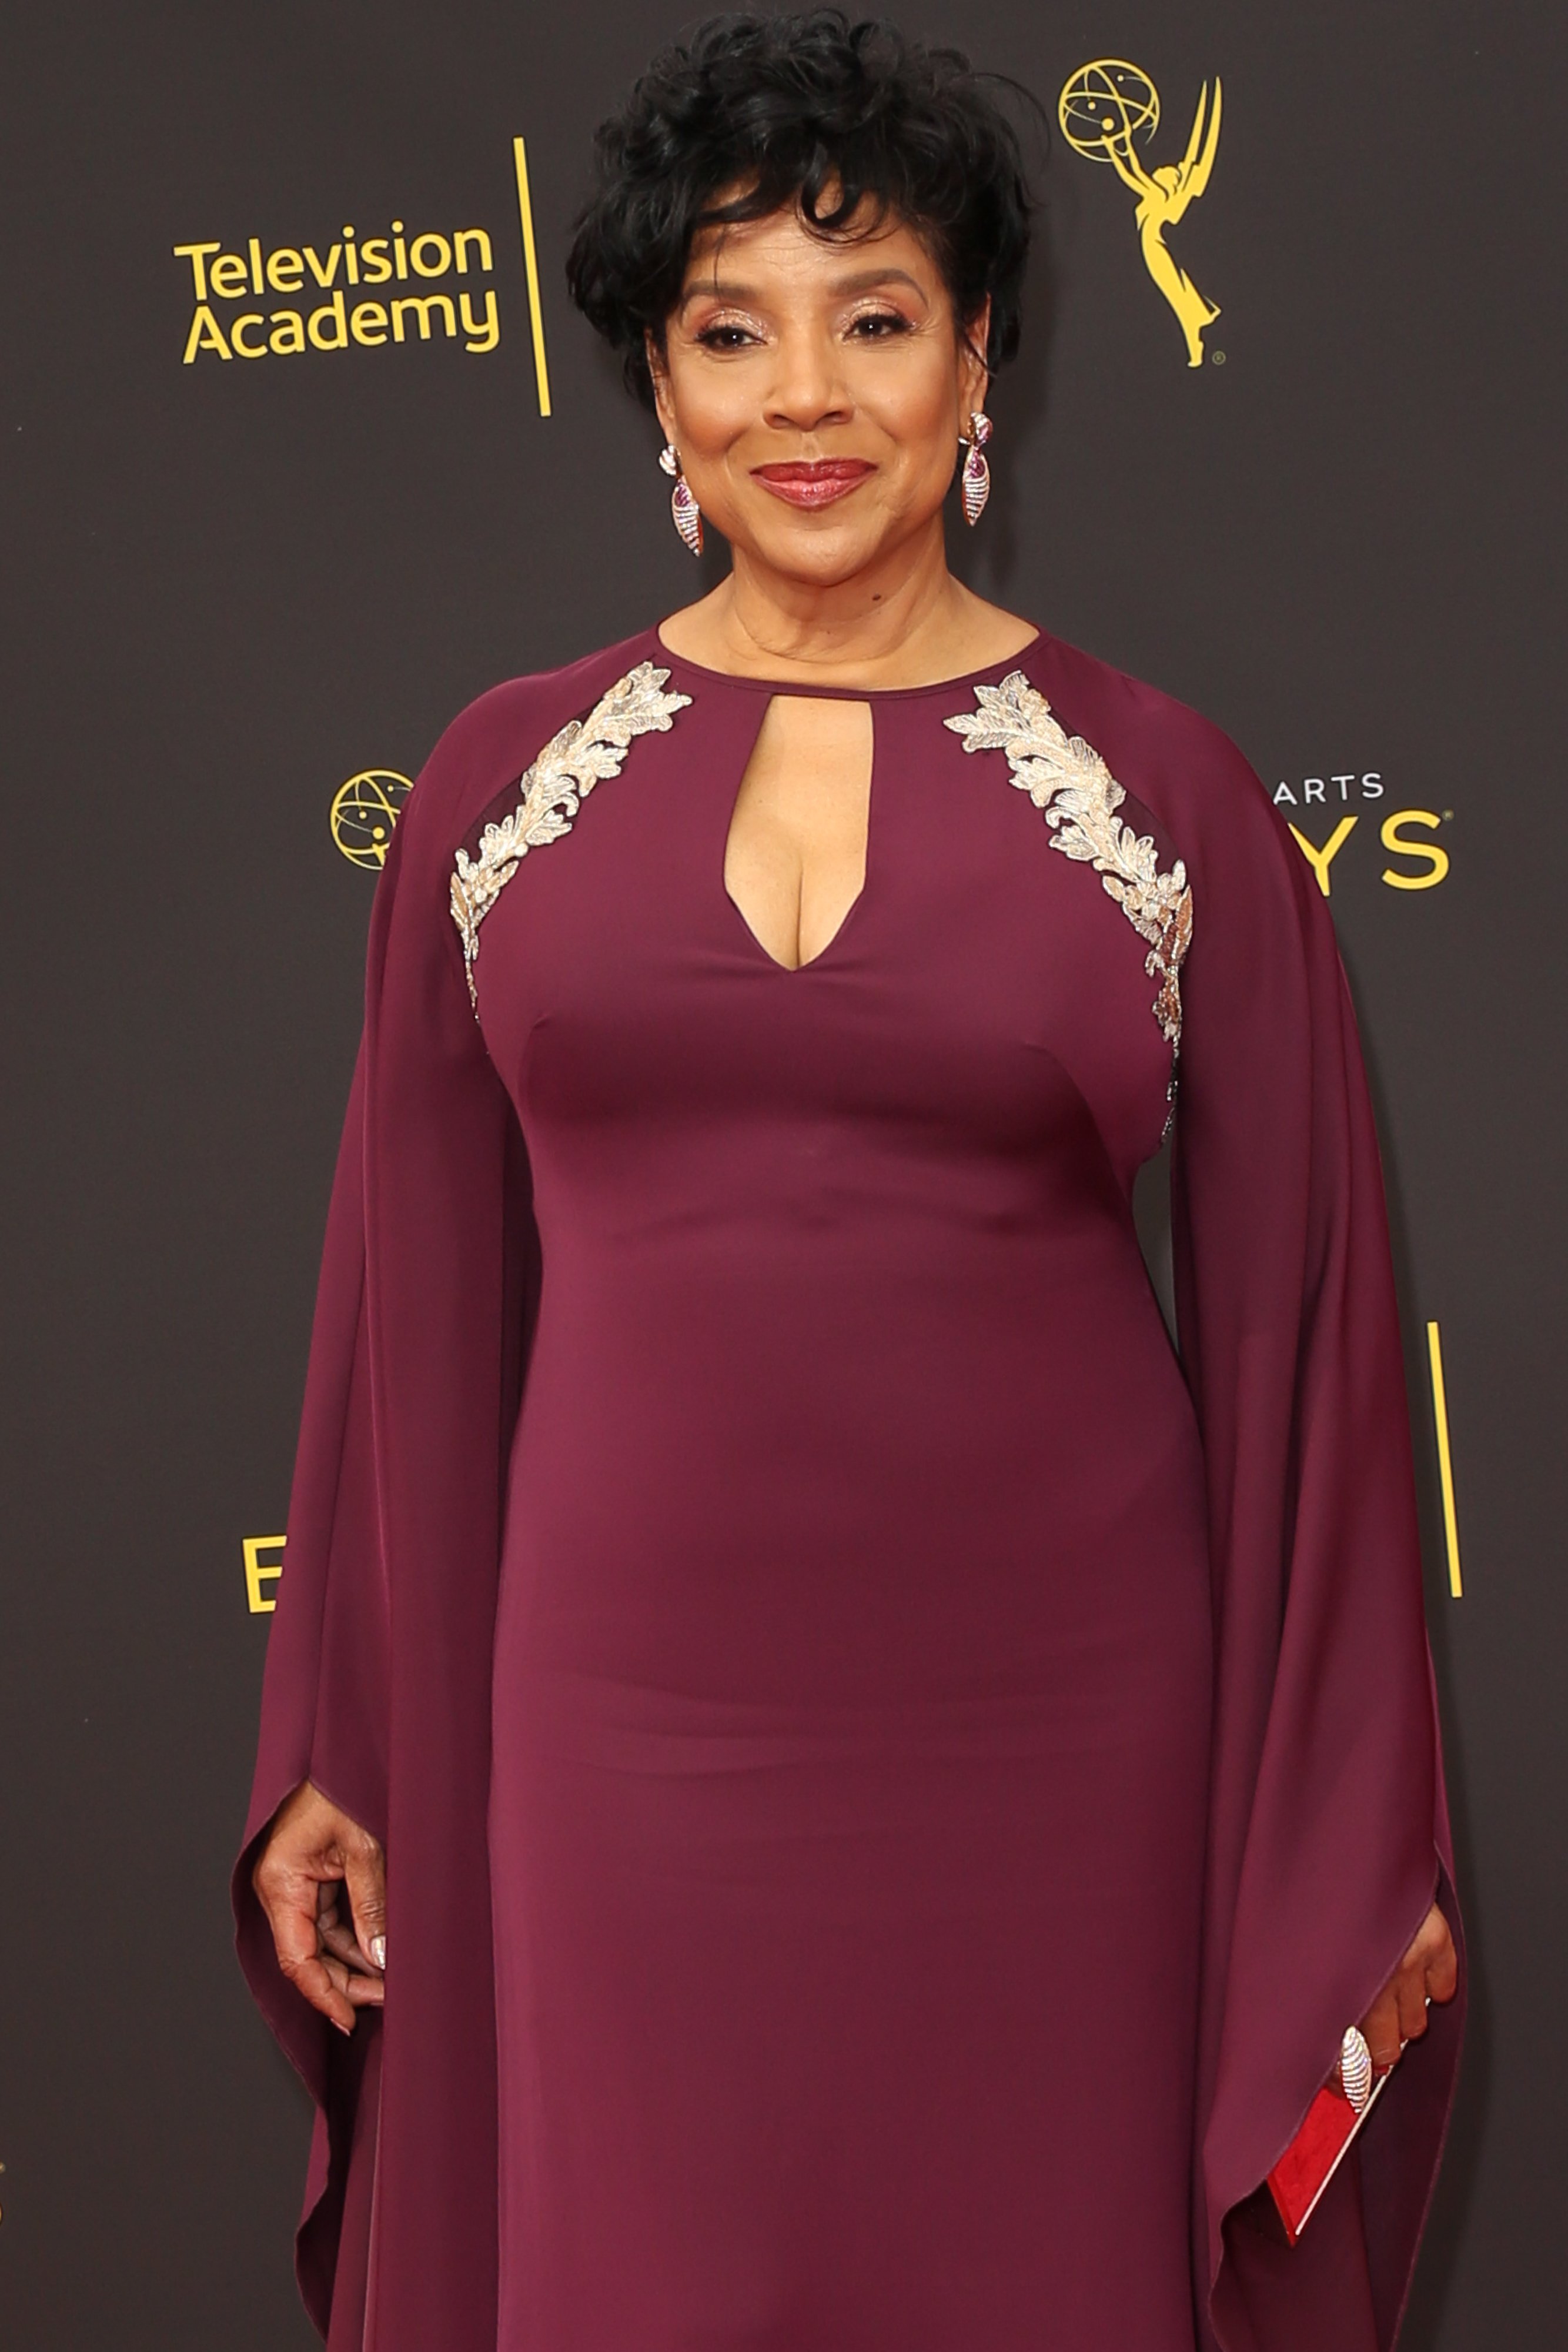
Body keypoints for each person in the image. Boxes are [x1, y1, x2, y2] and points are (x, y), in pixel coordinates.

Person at [235, 14, 1462, 2351]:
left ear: (976, 355)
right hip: (613, 1748)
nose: (807, 394)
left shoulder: (1168, 795)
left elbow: (1306, 1355)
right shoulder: (504, 789)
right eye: (731, 328)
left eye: (873, 317)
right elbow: (404, 1319)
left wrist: (1337, 1861)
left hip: (1066, 1755)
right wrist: (344, 1750)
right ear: (659, 391)